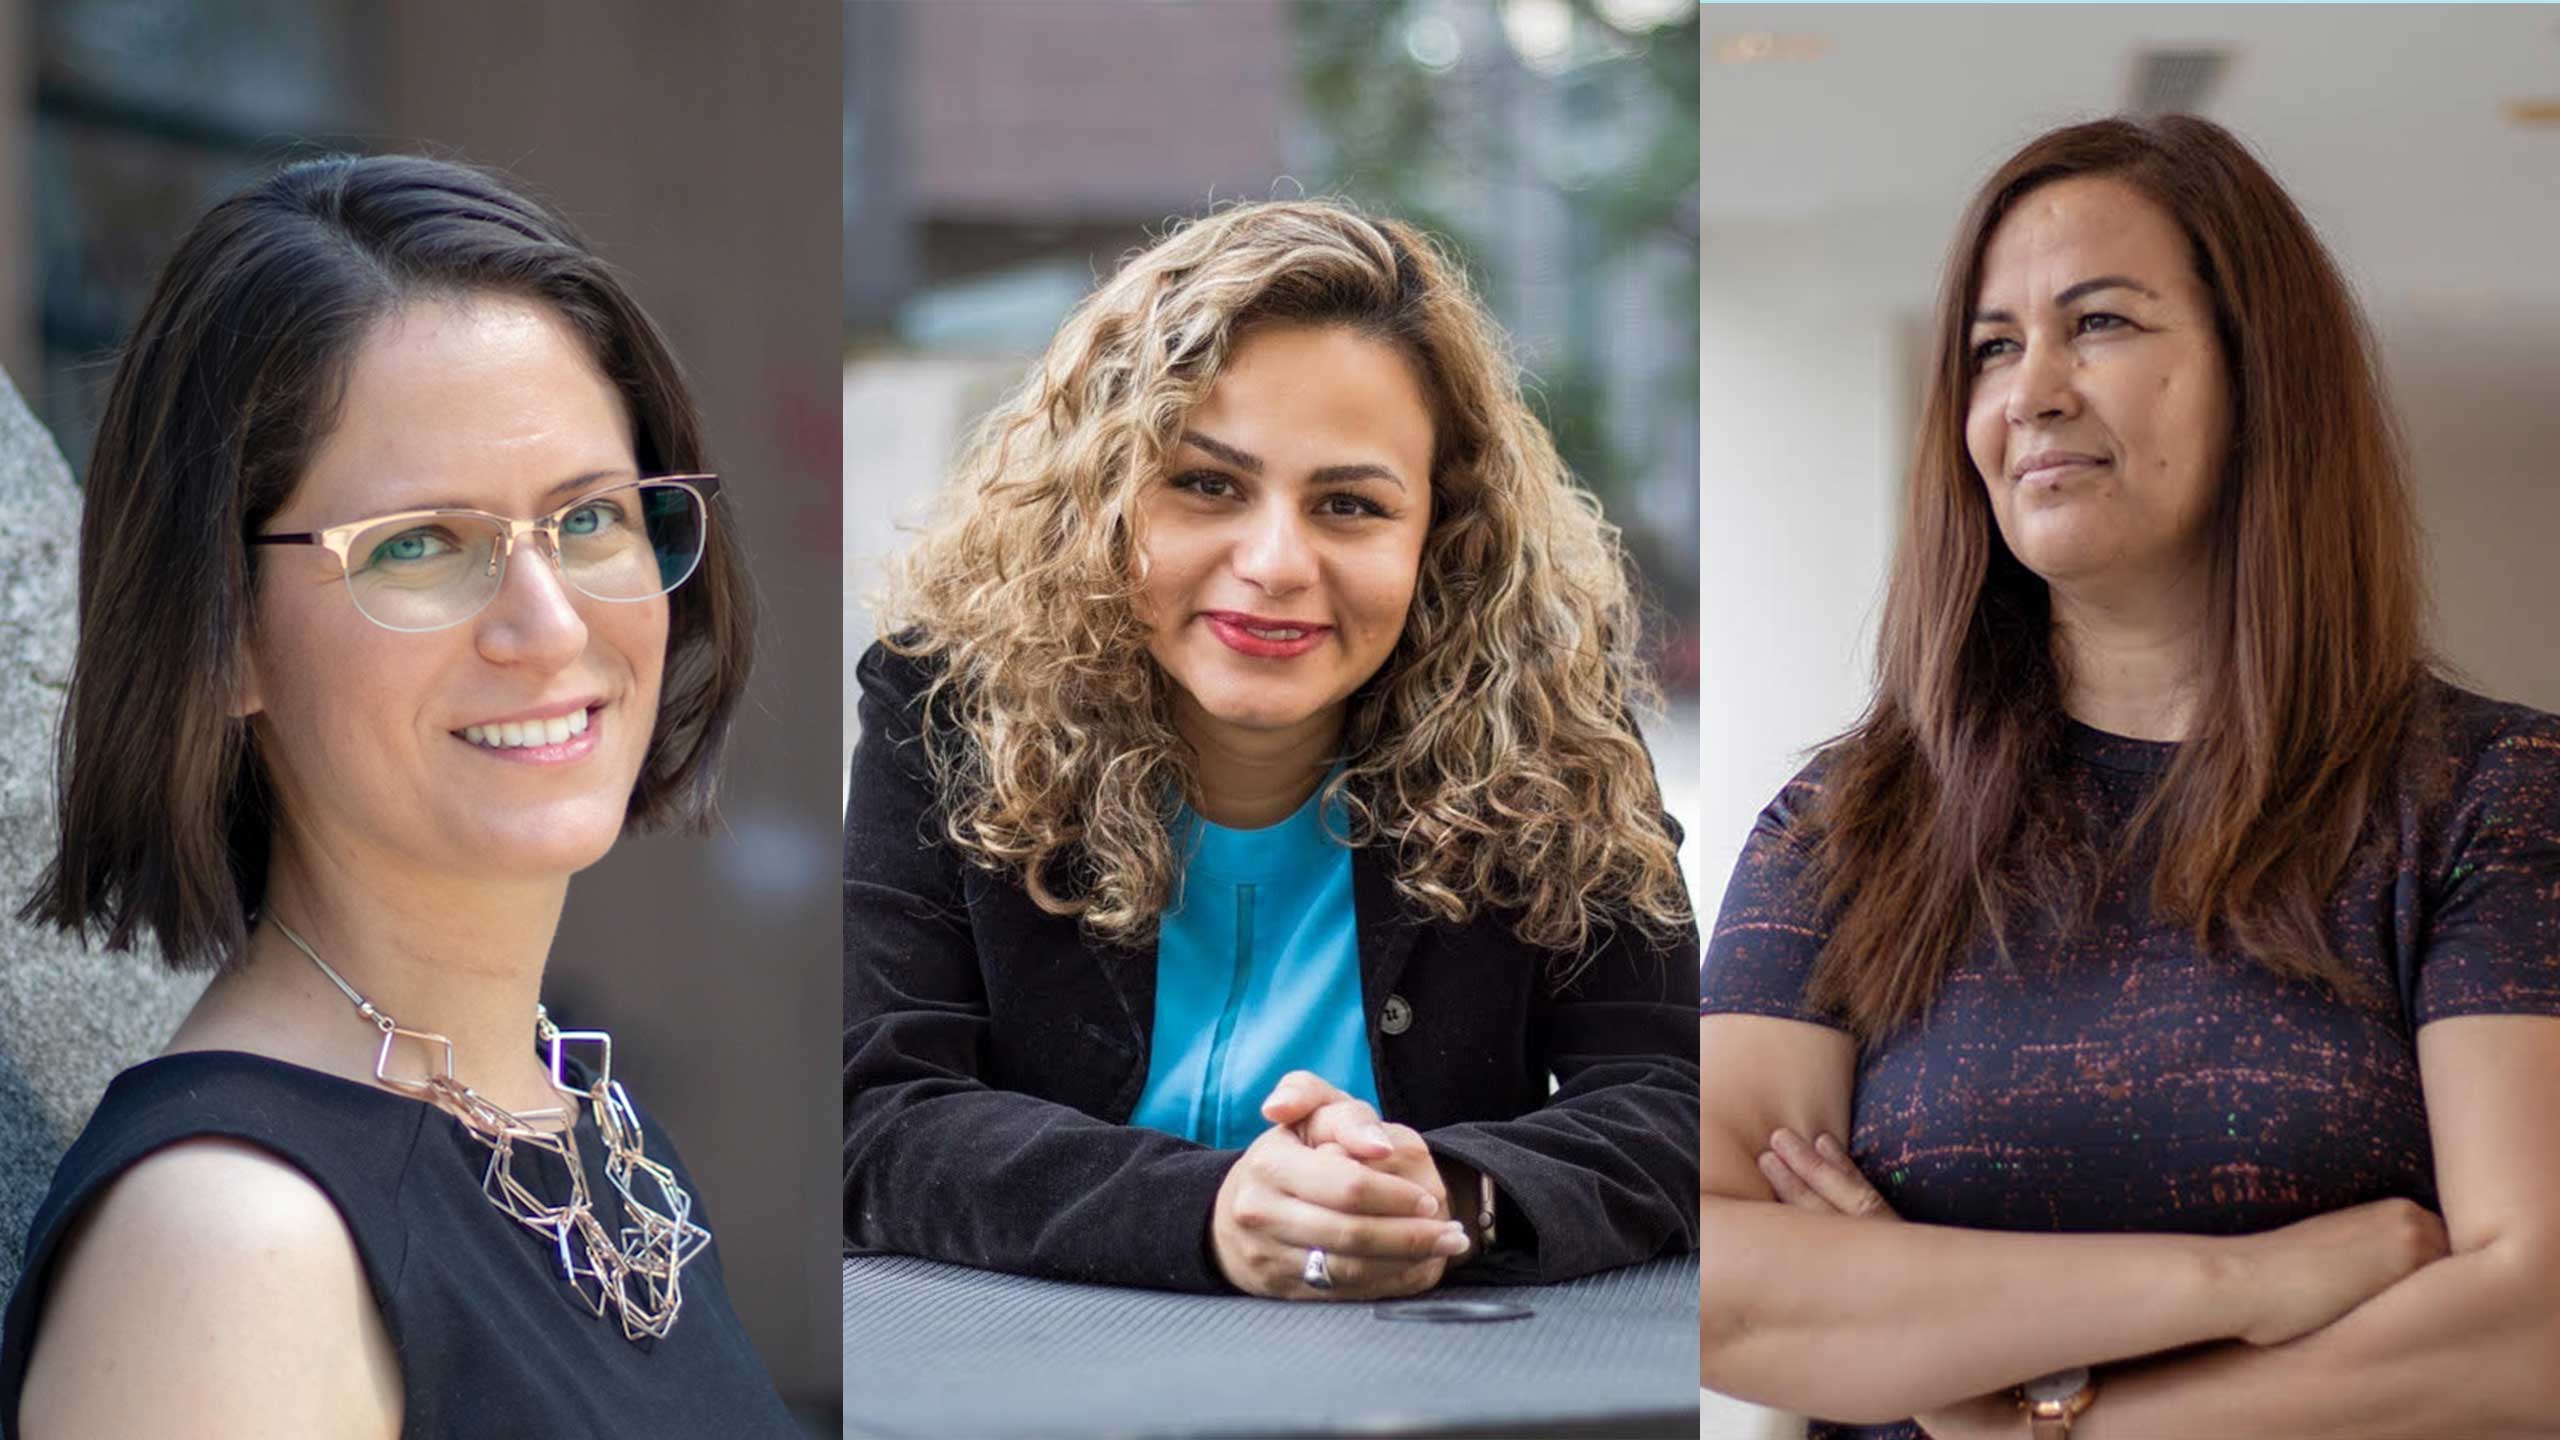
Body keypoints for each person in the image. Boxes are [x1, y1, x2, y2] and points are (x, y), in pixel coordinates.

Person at [1698, 114, 2560, 1438]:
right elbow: (1721, 1285)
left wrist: (2028, 1413)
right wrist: (2249, 1281)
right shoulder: (1843, 831)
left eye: (2098, 323)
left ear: (2259, 374)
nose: (2032, 388)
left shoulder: (2489, 798)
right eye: (1993, 347)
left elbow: (2532, 1325)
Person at [0, 155, 795, 1437]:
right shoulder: (231, 1249)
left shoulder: (561, 1108)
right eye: (420, 544)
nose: (546, 628)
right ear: (223, 635)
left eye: (591, 518)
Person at [843, 199, 1698, 1301]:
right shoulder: (950, 704)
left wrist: (1449, 1195)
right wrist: (1205, 1214)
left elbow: (1669, 1099)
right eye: (1207, 484)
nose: (1276, 562)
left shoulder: (1552, 726)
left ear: (1442, 537)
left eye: (1349, 504)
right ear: (1100, 498)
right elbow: (871, 1108)